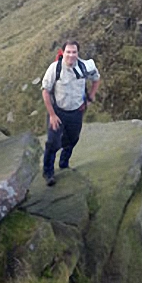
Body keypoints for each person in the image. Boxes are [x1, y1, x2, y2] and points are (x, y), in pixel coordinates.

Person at [41, 39, 101, 186]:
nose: (71, 55)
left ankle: (64, 163)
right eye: (68, 52)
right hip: (58, 112)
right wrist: (52, 115)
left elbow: (96, 79)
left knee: (72, 139)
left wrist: (90, 97)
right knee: (52, 142)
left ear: (78, 53)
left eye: (74, 52)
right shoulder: (55, 69)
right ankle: (48, 172)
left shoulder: (85, 66)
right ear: (63, 52)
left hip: (76, 112)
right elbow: (45, 91)